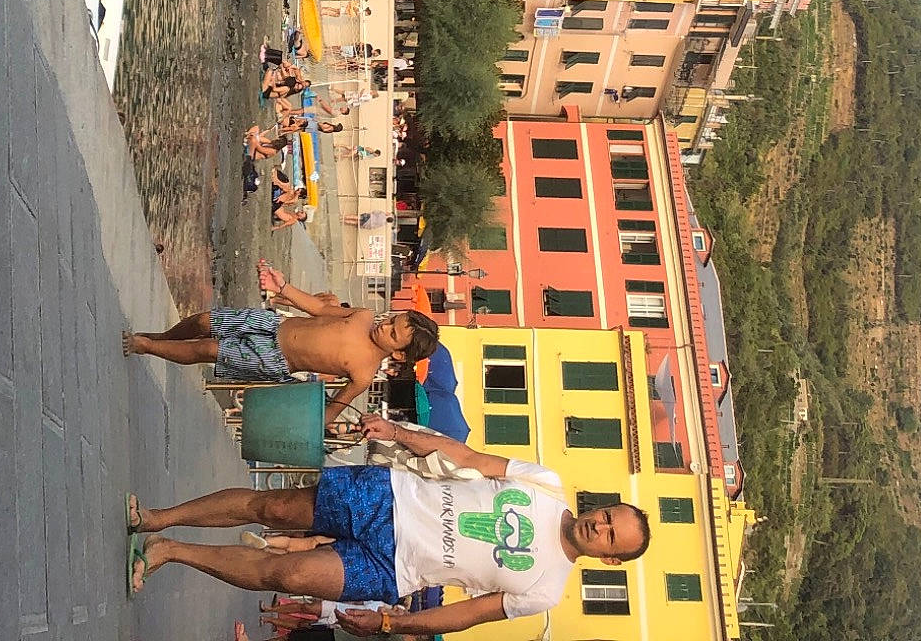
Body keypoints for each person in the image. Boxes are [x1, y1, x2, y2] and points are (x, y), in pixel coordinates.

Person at [127, 414, 651, 628]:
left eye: (609, 536)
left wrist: (392, 622)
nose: (599, 526)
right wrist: (397, 433)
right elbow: (464, 457)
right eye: (607, 516)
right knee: (271, 509)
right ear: (600, 508)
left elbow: (466, 615)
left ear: (608, 557)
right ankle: (158, 518)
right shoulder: (545, 483)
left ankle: (171, 553)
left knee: (284, 576)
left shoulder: (546, 590)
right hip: (390, 497)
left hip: (395, 569)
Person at [125, 262, 439, 424]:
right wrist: (283, 286)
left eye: (393, 334)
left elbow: (333, 407)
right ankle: (162, 338)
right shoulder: (362, 316)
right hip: (274, 323)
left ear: (397, 352)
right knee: (204, 322)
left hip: (274, 360)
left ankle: (146, 346)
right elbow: (318, 308)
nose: (385, 327)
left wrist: (313, 426)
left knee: (208, 350)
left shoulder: (363, 374)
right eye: (391, 321)